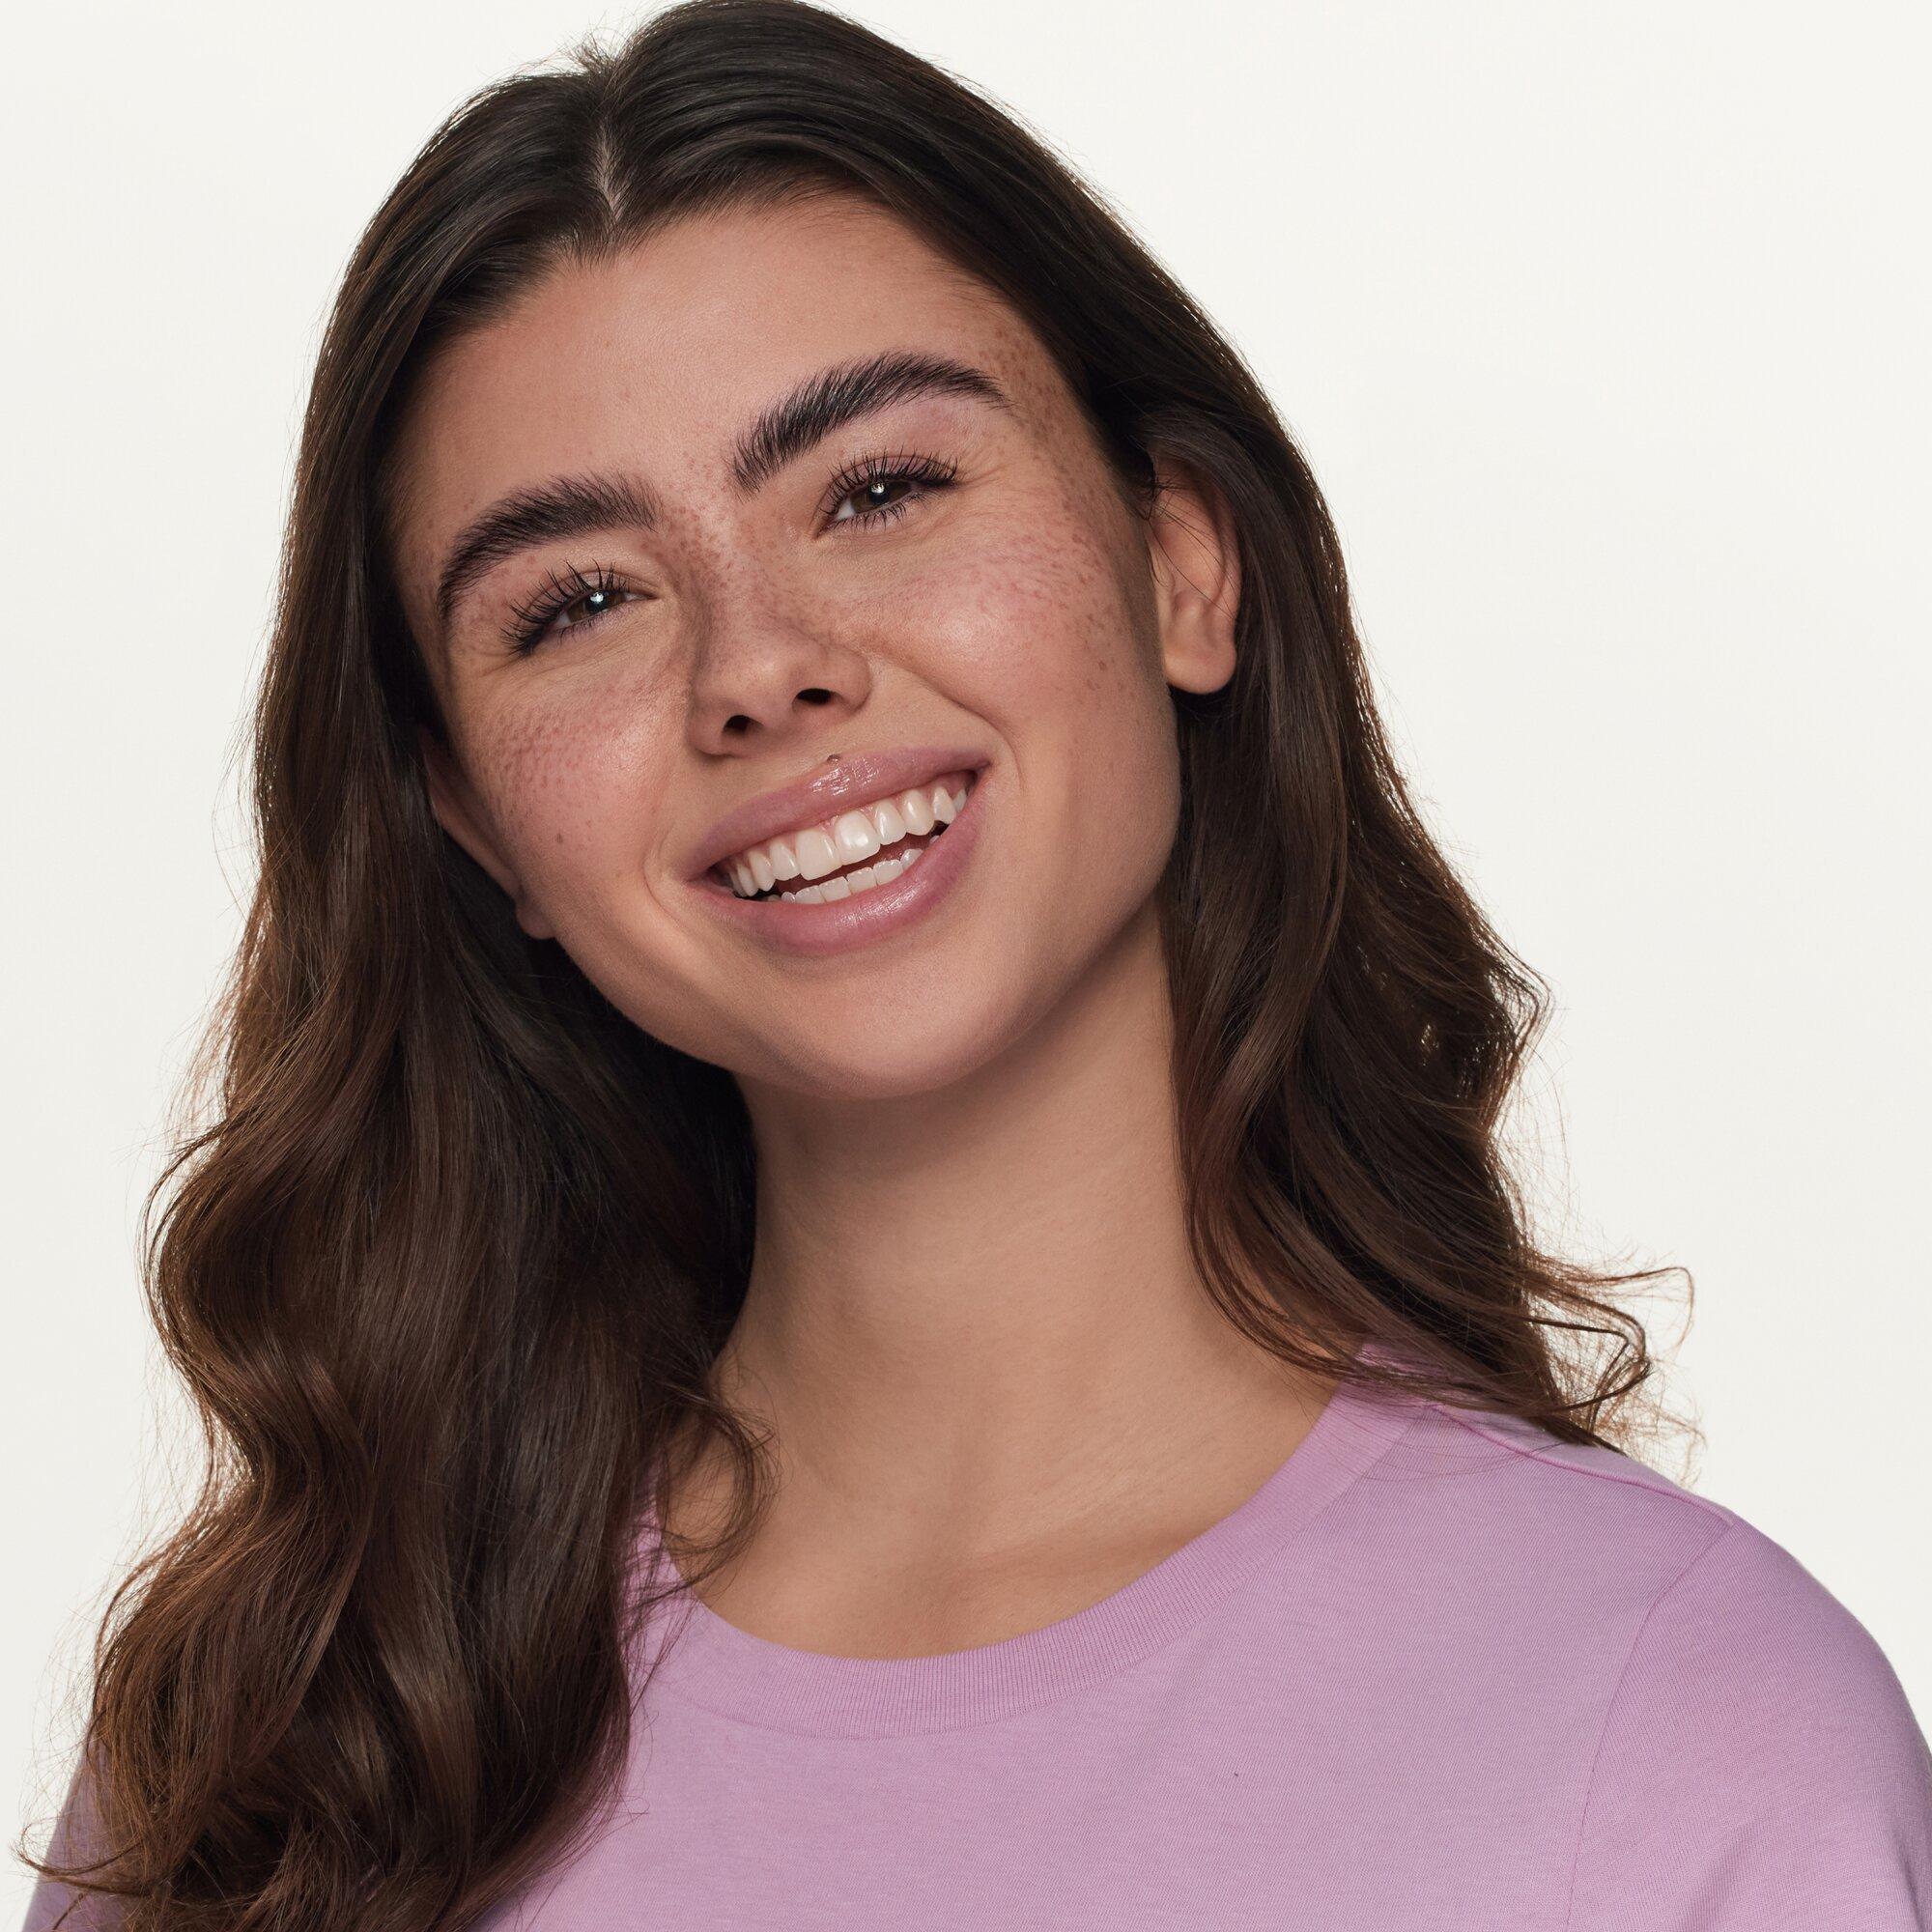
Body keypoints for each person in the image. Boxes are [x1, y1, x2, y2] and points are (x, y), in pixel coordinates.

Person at [21, 1, 1932, 1926]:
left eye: (879, 490)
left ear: (1183, 562)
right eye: (580, 600)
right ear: (471, 817)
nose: (760, 666)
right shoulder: (278, 1756)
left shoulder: (1680, 1730)